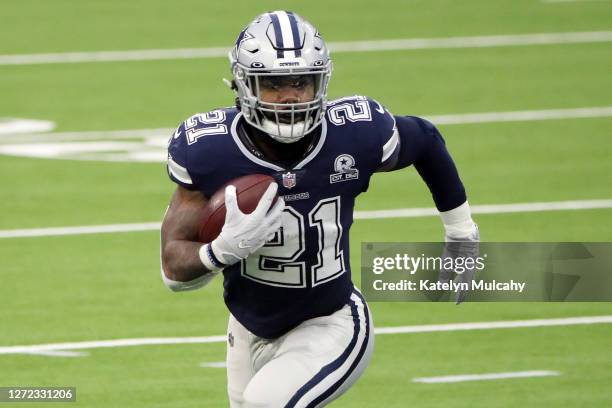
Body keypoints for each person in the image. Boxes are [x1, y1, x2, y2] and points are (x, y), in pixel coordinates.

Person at [160, 10, 478, 408]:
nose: (291, 95)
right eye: (274, 84)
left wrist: (461, 233)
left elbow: (426, 141)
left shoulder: (355, 133)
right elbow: (173, 270)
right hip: (247, 327)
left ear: (321, 81)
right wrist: (220, 251)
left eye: (301, 82)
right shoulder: (209, 150)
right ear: (244, 84)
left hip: (331, 321)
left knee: (267, 403)